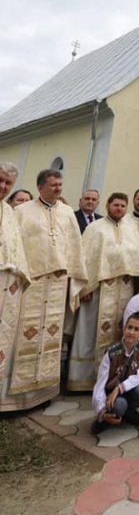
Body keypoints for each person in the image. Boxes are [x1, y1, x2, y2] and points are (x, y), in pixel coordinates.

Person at [12, 169, 86, 409]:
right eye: (53, 185)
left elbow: (75, 247)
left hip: (57, 284)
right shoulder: (22, 212)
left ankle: (44, 393)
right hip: (31, 283)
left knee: (51, 336)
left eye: (60, 185)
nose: (58, 189)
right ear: (40, 185)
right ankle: (17, 397)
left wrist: (75, 278)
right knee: (25, 334)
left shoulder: (66, 213)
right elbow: (15, 246)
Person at [67, 192, 139, 391]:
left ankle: (116, 377)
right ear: (108, 206)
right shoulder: (95, 228)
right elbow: (85, 259)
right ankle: (86, 380)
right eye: (116, 205)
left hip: (125, 288)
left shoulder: (131, 229)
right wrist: (84, 287)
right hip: (100, 290)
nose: (119, 209)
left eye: (122, 206)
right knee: (91, 332)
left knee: (121, 329)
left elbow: (137, 258)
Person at [0, 162, 31, 413]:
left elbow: (15, 249)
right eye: (0, 180)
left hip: (7, 289)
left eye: (8, 183)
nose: (3, 186)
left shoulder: (9, 213)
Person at [91, 311, 139, 434]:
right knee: (119, 405)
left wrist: (120, 388)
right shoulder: (112, 353)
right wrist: (101, 411)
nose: (131, 332)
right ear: (124, 328)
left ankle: (130, 413)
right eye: (129, 327)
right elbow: (100, 384)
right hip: (111, 396)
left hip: (126, 391)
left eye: (136, 329)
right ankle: (105, 418)